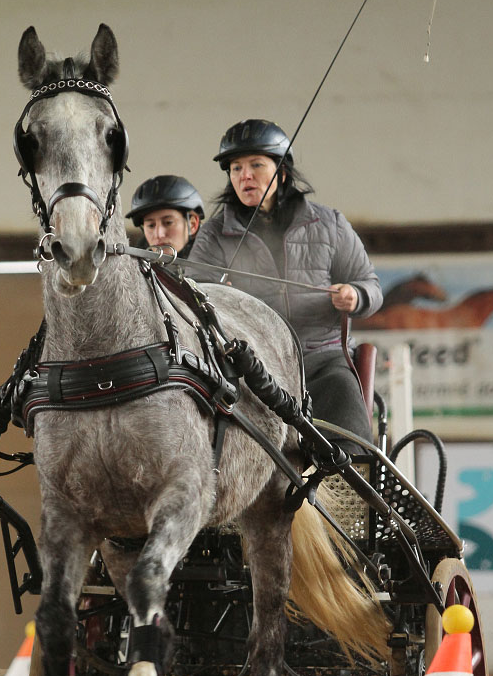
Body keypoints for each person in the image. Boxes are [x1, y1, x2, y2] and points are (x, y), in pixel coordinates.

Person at [189, 119, 383, 452]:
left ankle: (347, 502)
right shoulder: (214, 234)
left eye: (256, 165)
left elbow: (371, 287)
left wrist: (355, 295)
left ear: (282, 172)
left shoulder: (329, 223)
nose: (244, 176)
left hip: (323, 363)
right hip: (251, 370)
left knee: (351, 446)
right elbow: (195, 300)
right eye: (235, 168)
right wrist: (218, 296)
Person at [126, 174, 204, 258]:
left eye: (168, 223)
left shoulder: (215, 262)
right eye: (151, 225)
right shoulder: (131, 266)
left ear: (192, 224)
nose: (159, 234)